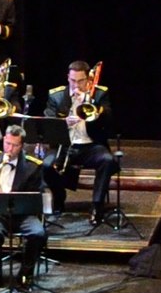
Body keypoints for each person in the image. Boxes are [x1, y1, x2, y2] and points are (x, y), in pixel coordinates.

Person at [42, 60, 118, 223]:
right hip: (65, 145)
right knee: (47, 165)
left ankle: (97, 206)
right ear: (67, 78)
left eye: (80, 81)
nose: (76, 85)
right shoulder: (56, 96)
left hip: (91, 146)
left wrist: (90, 103)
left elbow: (110, 120)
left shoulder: (99, 94)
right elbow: (48, 122)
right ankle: (59, 199)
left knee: (108, 160)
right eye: (72, 81)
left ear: (88, 80)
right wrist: (63, 124)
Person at [0, 124, 46, 290]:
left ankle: (25, 274)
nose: (9, 148)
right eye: (7, 143)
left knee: (38, 233)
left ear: (21, 146)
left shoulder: (33, 166)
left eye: (14, 145)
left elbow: (37, 197)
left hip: (23, 215)